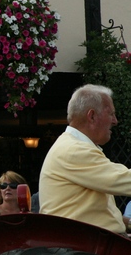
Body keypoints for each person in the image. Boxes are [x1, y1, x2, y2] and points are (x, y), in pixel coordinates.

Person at [40, 84, 131, 234]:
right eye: (111, 114)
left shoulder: (73, 146)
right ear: (92, 116)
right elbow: (124, 180)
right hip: (85, 249)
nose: (115, 121)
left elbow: (98, 212)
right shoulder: (73, 150)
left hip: (88, 245)